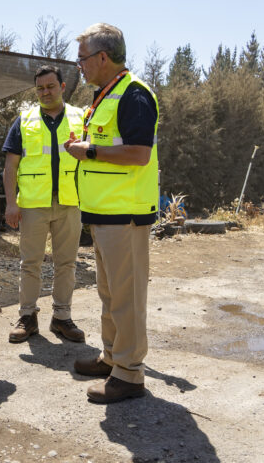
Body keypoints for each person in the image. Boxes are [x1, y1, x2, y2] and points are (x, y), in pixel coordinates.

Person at [64, 23, 159, 404]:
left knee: (126, 298)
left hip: (126, 217)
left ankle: (130, 374)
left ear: (103, 57)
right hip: (105, 216)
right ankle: (112, 358)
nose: (79, 66)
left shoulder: (133, 95)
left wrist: (88, 151)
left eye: (83, 58)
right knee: (110, 295)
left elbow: (139, 154)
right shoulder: (106, 95)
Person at [3, 65, 86, 344]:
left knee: (67, 263)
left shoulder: (81, 118)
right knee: (30, 264)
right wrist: (11, 203)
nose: (45, 92)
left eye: (50, 86)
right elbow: (10, 167)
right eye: (40, 88)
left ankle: (62, 318)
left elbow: (94, 158)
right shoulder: (23, 120)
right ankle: (27, 317)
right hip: (33, 205)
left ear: (62, 87)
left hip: (70, 202)